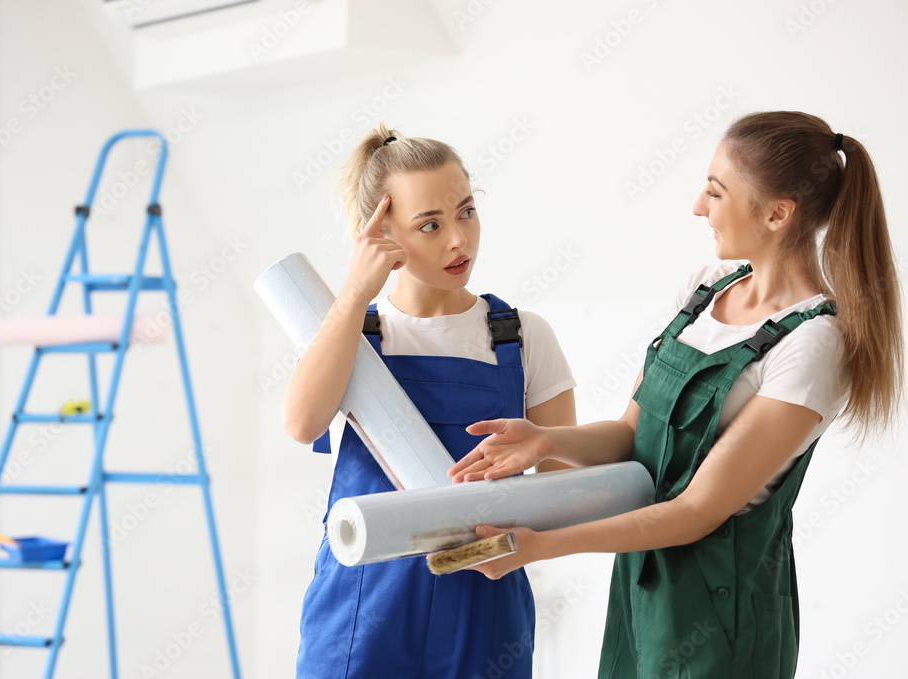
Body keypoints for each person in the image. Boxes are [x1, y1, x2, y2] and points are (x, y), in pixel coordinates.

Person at [447, 111, 904, 678]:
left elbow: (697, 511)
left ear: (777, 213)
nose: (697, 207)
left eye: (716, 192)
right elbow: (628, 435)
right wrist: (544, 441)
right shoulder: (705, 288)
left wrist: (540, 545)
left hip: (723, 611)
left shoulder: (813, 344)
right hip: (642, 589)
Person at [283, 123, 577, 678]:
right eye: (430, 225)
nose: (458, 240)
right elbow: (302, 423)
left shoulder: (522, 337)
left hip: (484, 600)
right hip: (361, 603)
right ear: (381, 234)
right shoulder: (353, 334)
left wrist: (523, 537)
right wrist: (353, 295)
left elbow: (564, 488)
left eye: (466, 211)